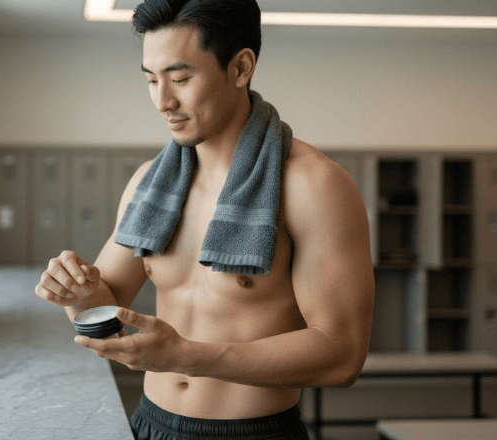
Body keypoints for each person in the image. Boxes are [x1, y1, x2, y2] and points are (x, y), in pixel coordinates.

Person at [35, 0, 374, 439]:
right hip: (151, 424)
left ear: (240, 67)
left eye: (180, 78)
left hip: (254, 432)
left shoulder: (313, 185)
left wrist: (184, 355)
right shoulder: (148, 184)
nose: (163, 101)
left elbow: (342, 355)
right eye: (151, 80)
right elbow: (106, 305)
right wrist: (76, 294)